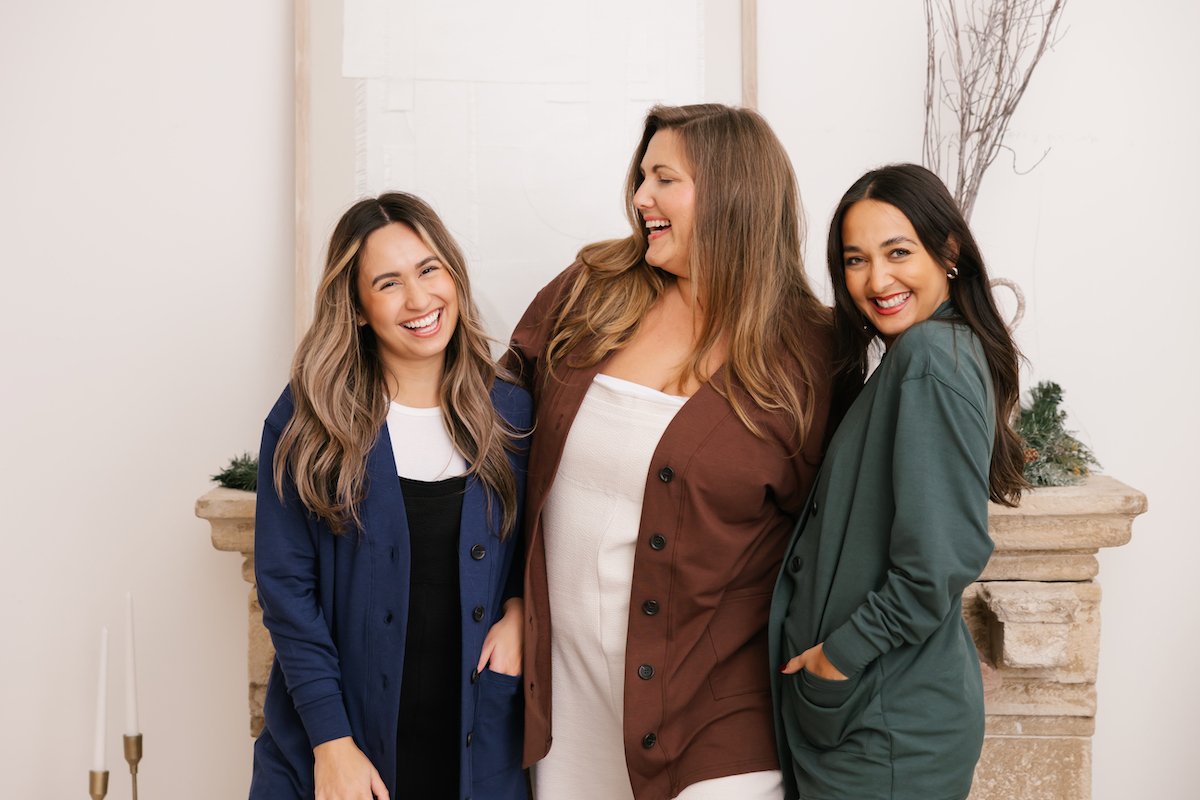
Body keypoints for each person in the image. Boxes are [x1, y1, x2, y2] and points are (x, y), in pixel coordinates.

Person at [506, 104, 833, 800]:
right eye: (641, 177)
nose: (639, 198)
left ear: (730, 193)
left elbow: (844, 529)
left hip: (713, 714)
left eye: (664, 179)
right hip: (566, 706)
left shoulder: (811, 353)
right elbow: (496, 441)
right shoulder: (590, 293)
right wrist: (506, 601)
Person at [249, 192, 531, 800]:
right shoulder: (307, 419)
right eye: (388, 283)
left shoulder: (509, 409)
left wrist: (520, 609)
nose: (419, 299)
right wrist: (331, 744)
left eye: (430, 270)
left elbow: (545, 539)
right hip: (344, 747)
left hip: (473, 741)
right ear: (355, 308)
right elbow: (285, 592)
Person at [770, 163, 1027, 800]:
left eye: (898, 252)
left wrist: (837, 659)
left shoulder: (930, 359)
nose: (877, 280)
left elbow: (941, 561)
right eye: (856, 260)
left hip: (885, 730)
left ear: (949, 252)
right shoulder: (933, 352)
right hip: (878, 716)